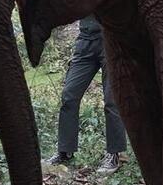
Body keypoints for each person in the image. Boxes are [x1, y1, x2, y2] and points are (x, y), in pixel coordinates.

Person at [45, 15, 126, 173]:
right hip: (85, 41)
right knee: (69, 96)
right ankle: (65, 151)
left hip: (111, 40)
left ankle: (115, 153)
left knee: (111, 101)